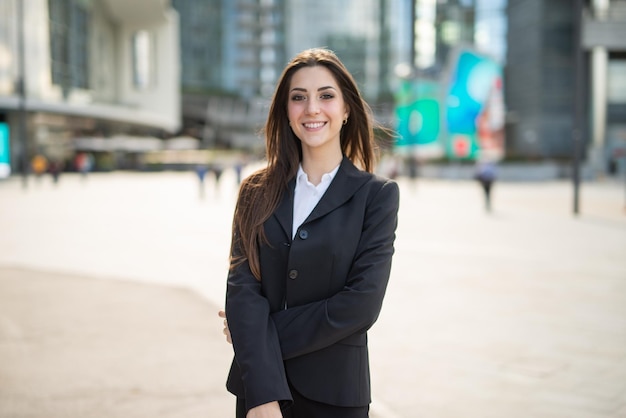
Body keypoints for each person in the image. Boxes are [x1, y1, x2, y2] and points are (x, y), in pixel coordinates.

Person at [218, 48, 400, 418]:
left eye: (326, 95)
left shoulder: (376, 196)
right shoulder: (255, 191)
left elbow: (360, 305)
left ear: (347, 109)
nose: (312, 108)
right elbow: (242, 288)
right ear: (286, 112)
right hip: (258, 392)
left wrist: (255, 333)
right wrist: (262, 393)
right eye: (298, 97)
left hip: (336, 395)